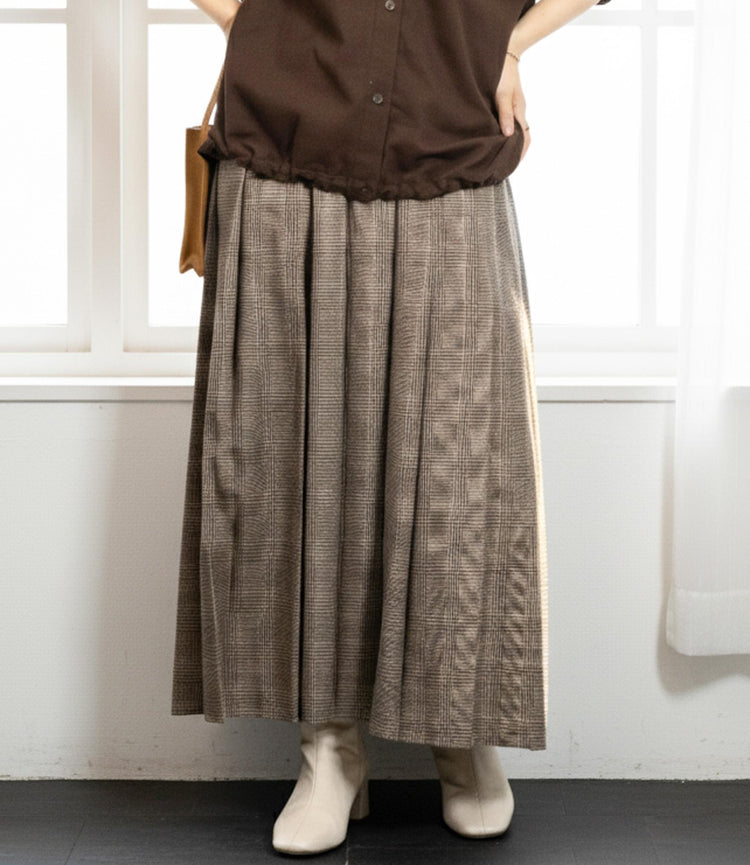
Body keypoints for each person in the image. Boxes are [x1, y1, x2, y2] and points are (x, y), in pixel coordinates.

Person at [171, 0, 612, 855]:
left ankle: (461, 731)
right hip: (287, 137)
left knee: (462, 466)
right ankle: (329, 749)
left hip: (452, 135)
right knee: (295, 464)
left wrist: (511, 44)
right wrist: (246, 19)